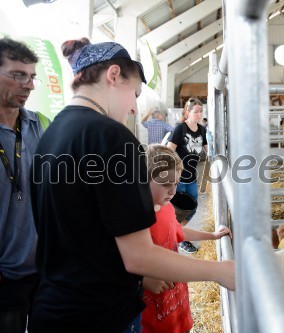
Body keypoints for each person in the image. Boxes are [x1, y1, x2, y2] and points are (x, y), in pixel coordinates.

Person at [30, 38, 234, 333]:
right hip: (100, 314)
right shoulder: (111, 137)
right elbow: (139, 255)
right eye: (135, 94)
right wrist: (220, 271)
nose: (135, 109)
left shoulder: (51, 133)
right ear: (113, 75)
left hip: (53, 308)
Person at [141, 144, 232, 333]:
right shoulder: (135, 220)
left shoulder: (167, 209)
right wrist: (143, 279)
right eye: (166, 184)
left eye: (175, 183)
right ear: (143, 180)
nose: (173, 191)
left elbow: (179, 233)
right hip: (151, 305)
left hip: (176, 295)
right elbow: (119, 259)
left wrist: (213, 236)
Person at [0, 37, 47, 333]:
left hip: (40, 270)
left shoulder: (35, 125)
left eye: (32, 77)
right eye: (18, 75)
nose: (28, 84)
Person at [167, 97, 206, 254]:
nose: (199, 114)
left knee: (193, 207)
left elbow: (209, 150)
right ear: (188, 112)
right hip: (178, 177)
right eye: (195, 111)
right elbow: (169, 151)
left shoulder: (202, 130)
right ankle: (175, 239)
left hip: (191, 176)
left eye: (201, 111)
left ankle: (177, 234)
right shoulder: (180, 129)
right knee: (175, 209)